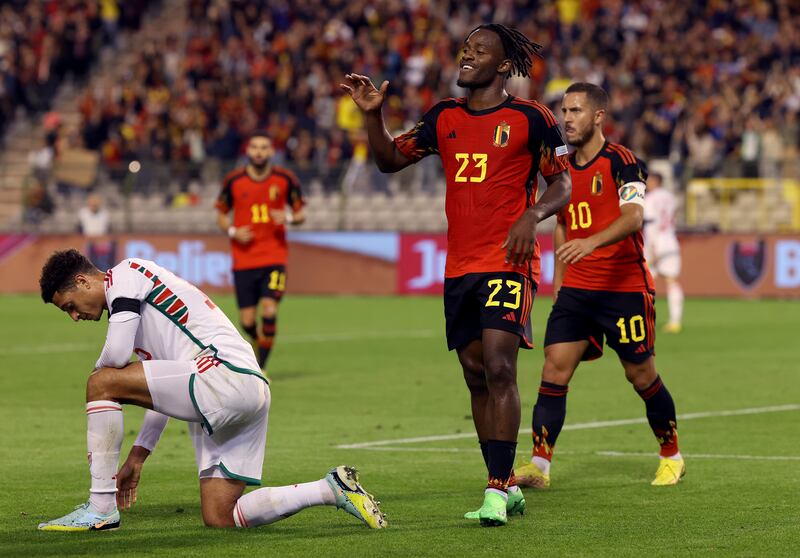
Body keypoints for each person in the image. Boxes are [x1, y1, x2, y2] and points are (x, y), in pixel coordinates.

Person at [341, 23, 571, 526]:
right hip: (460, 265)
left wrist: (532, 215)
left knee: (500, 365)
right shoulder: (443, 117)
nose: (467, 55)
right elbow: (389, 161)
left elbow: (562, 185)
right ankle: (507, 484)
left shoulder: (533, 118)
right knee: (474, 373)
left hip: (509, 260)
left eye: (479, 50)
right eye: (465, 49)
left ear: (503, 65)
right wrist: (374, 117)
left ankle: (494, 489)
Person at [37, 249, 385, 531]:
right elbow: (162, 392)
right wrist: (138, 456)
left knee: (100, 382)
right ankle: (331, 489)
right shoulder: (142, 314)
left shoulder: (125, 273)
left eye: (69, 305)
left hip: (220, 374)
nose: (74, 316)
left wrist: (99, 388)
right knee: (221, 515)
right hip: (248, 386)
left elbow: (114, 357)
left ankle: (100, 508)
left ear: (83, 281)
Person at [514, 83, 684, 490]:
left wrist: (590, 242)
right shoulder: (560, 168)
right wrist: (560, 279)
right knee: (554, 368)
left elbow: (633, 216)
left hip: (624, 288)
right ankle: (540, 464)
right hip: (578, 291)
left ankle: (671, 455)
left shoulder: (624, 162)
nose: (567, 118)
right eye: (564, 111)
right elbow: (561, 224)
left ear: (597, 117)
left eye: (575, 111)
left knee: (640, 375)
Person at [215, 131, 305, 371]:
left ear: (271, 152)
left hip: (274, 256)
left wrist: (286, 217)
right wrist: (233, 231)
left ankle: (261, 368)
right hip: (243, 259)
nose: (259, 151)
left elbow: (300, 214)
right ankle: (257, 340)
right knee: (246, 321)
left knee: (269, 308)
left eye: (264, 147)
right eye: (254, 147)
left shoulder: (285, 179)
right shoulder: (234, 181)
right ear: (248, 151)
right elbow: (221, 214)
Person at [643, 172, 684, 333]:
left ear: (654, 181)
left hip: (655, 243)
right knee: (672, 281)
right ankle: (675, 321)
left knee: (644, 282)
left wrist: (652, 248)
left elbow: (651, 223)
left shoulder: (650, 199)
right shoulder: (670, 197)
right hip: (670, 241)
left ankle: (644, 318)